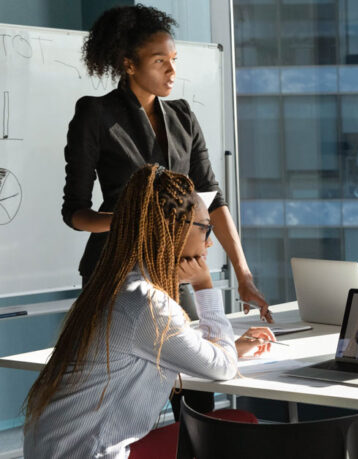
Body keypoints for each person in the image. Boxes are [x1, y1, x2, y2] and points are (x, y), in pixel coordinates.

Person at [23, 165, 275, 459]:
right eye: (206, 228)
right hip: (89, 455)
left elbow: (156, 344)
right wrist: (204, 285)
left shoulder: (118, 286)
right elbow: (223, 368)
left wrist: (228, 346)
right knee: (236, 426)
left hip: (60, 451)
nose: (209, 241)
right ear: (173, 227)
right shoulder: (147, 303)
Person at [60, 5, 270, 322]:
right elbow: (76, 213)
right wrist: (134, 222)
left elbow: (211, 197)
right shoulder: (96, 114)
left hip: (175, 264)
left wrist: (243, 274)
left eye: (173, 61)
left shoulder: (182, 116)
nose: (171, 71)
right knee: (144, 365)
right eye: (160, 62)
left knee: (200, 355)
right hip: (116, 270)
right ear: (129, 65)